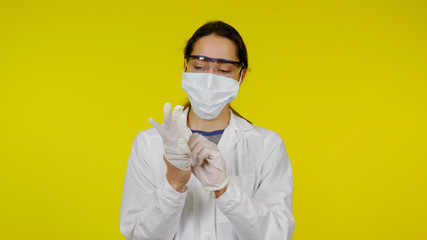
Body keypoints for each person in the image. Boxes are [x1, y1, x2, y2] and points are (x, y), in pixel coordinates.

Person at [120, 20, 296, 240]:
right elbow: (138, 236)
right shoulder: (148, 144)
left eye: (223, 70)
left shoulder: (267, 146)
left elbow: (276, 235)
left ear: (240, 77)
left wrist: (225, 189)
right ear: (185, 69)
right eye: (200, 67)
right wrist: (173, 184)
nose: (210, 78)